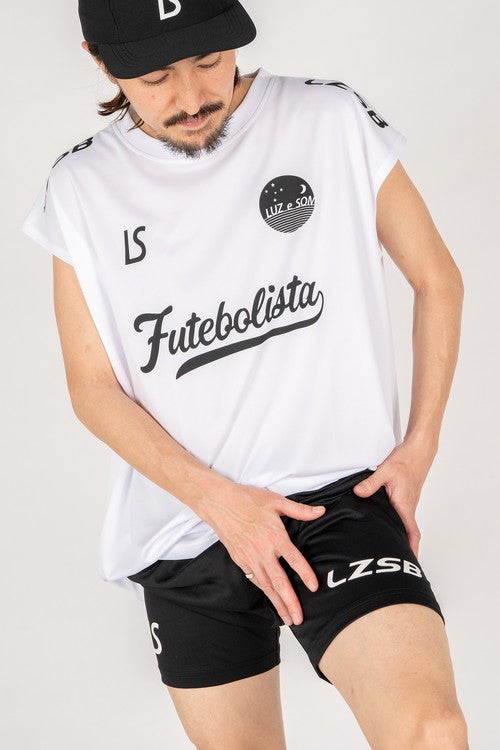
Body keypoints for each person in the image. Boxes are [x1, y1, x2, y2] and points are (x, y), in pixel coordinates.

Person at [22, 0, 469, 747]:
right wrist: (224, 508)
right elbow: (92, 389)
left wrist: (418, 447)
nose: (192, 96)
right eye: (156, 77)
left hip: (338, 499)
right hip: (187, 525)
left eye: (209, 60)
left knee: (431, 731)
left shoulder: (326, 119)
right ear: (101, 61)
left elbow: (437, 278)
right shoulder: (80, 189)